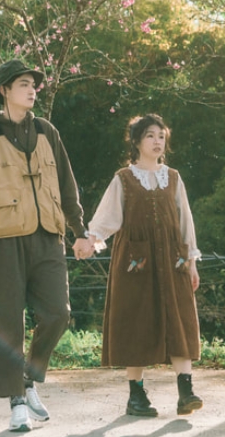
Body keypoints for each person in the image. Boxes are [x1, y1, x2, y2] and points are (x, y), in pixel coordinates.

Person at [0, 59, 88, 432]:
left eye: (34, 84)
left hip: (48, 236)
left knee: (58, 314)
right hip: (2, 239)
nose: (32, 89)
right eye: (23, 84)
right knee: (8, 321)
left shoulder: (49, 132)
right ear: (4, 90)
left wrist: (79, 230)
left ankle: (29, 377)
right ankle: (17, 401)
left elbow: (67, 185)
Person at [73, 114, 203, 418]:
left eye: (161, 136)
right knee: (138, 323)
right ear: (136, 141)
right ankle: (136, 396)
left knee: (180, 320)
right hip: (136, 262)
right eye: (150, 136)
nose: (157, 141)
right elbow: (106, 217)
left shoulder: (173, 178)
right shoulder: (124, 179)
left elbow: (186, 222)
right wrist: (90, 241)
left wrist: (192, 262)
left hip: (175, 261)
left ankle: (186, 391)